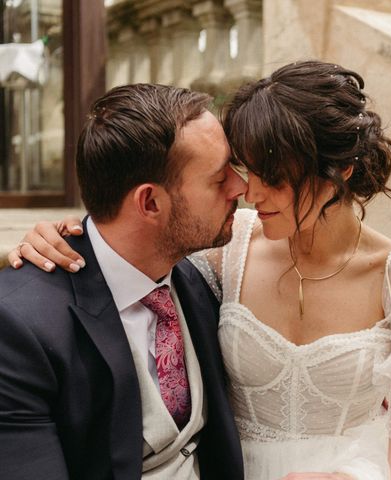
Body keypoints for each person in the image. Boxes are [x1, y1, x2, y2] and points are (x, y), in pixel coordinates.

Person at [11, 61, 391, 480]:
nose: (248, 192)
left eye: (272, 178)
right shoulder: (225, 254)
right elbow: (123, 245)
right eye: (240, 170)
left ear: (342, 170)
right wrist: (51, 244)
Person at [0, 84, 246, 479]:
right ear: (149, 203)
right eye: (219, 179)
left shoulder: (199, 276)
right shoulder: (18, 326)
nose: (241, 187)